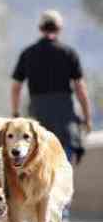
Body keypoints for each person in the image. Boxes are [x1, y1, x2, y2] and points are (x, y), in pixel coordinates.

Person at [11, 9, 92, 164]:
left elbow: (16, 87)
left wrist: (15, 113)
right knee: (64, 158)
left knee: (40, 155)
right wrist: (87, 118)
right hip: (64, 117)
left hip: (38, 114)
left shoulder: (28, 53)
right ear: (59, 28)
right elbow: (80, 89)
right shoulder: (69, 53)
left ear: (40, 28)